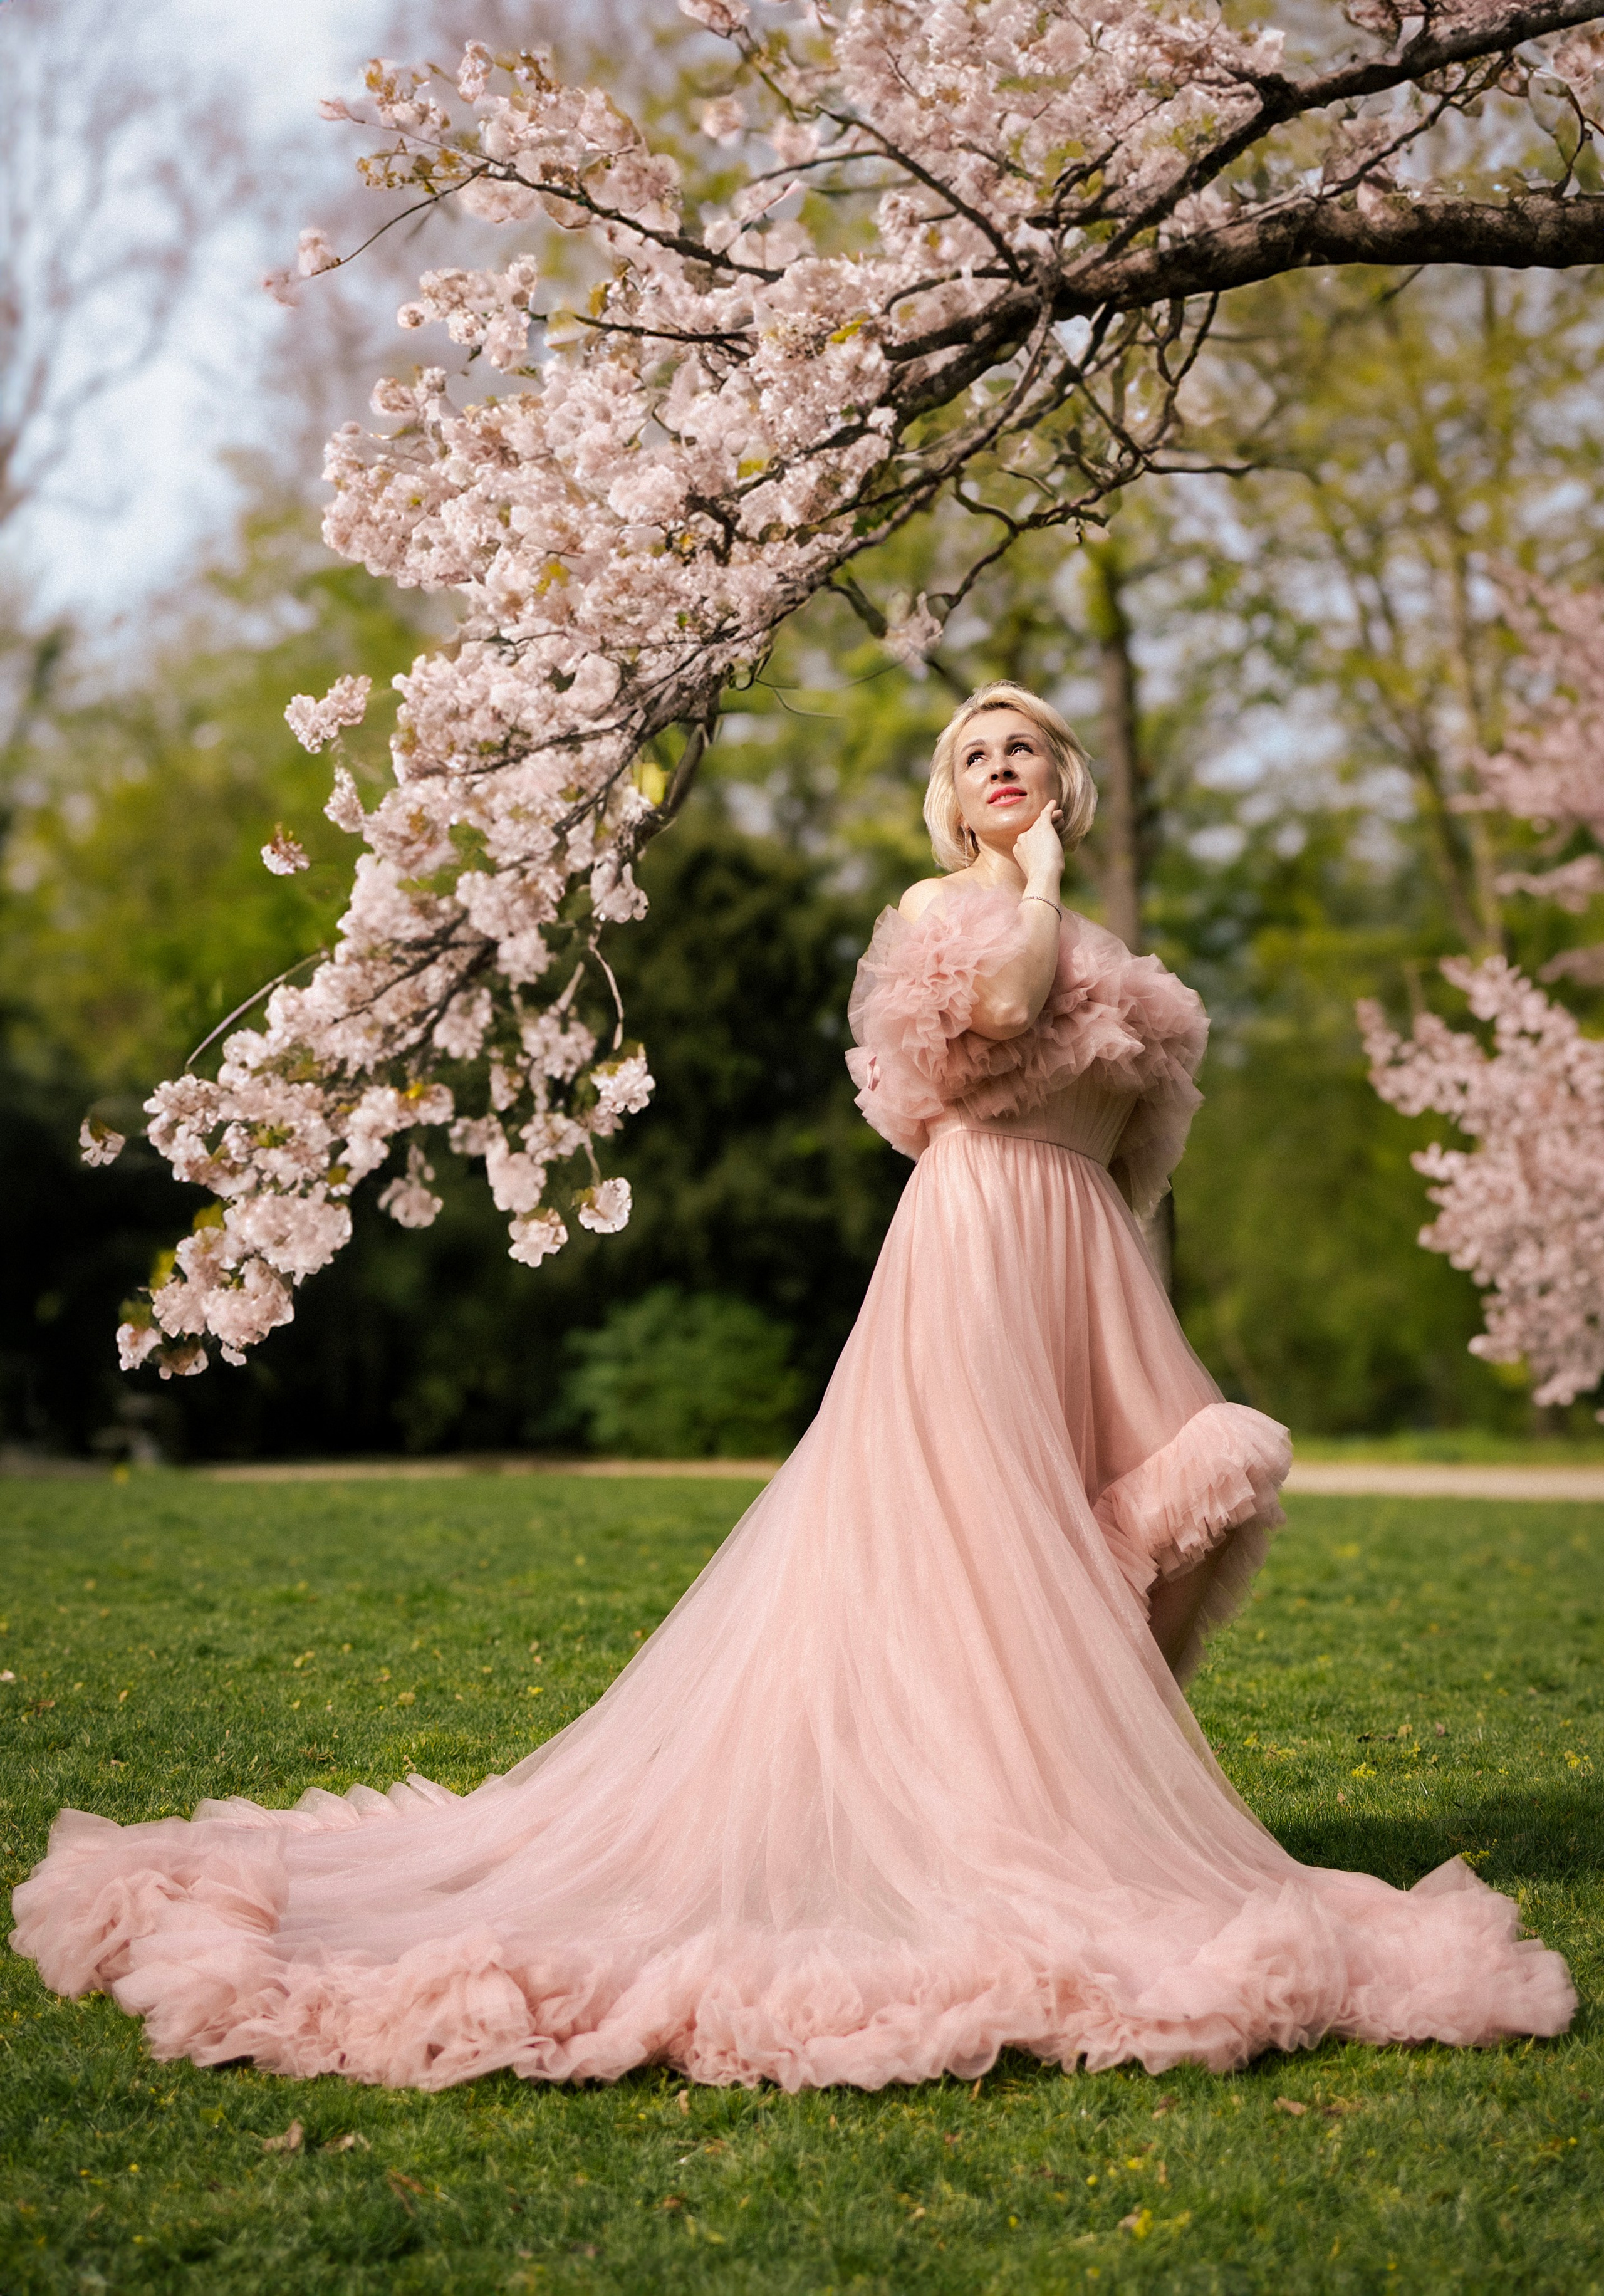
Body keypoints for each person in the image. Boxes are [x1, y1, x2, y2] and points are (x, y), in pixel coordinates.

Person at [11, 681, 1574, 2092]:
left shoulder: (1114, 952)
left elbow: (1137, 1144)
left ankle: (1060, 1789)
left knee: (1162, 1496)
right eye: (976, 754)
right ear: (955, 800)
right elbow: (1011, 1017)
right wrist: (1024, 888)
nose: (1002, 764)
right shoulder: (954, 909)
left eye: (1025, 745)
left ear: (1067, 774)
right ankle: (976, 1815)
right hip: (971, 1249)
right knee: (984, 1535)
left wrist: (1108, 1225)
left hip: (1078, 1255)